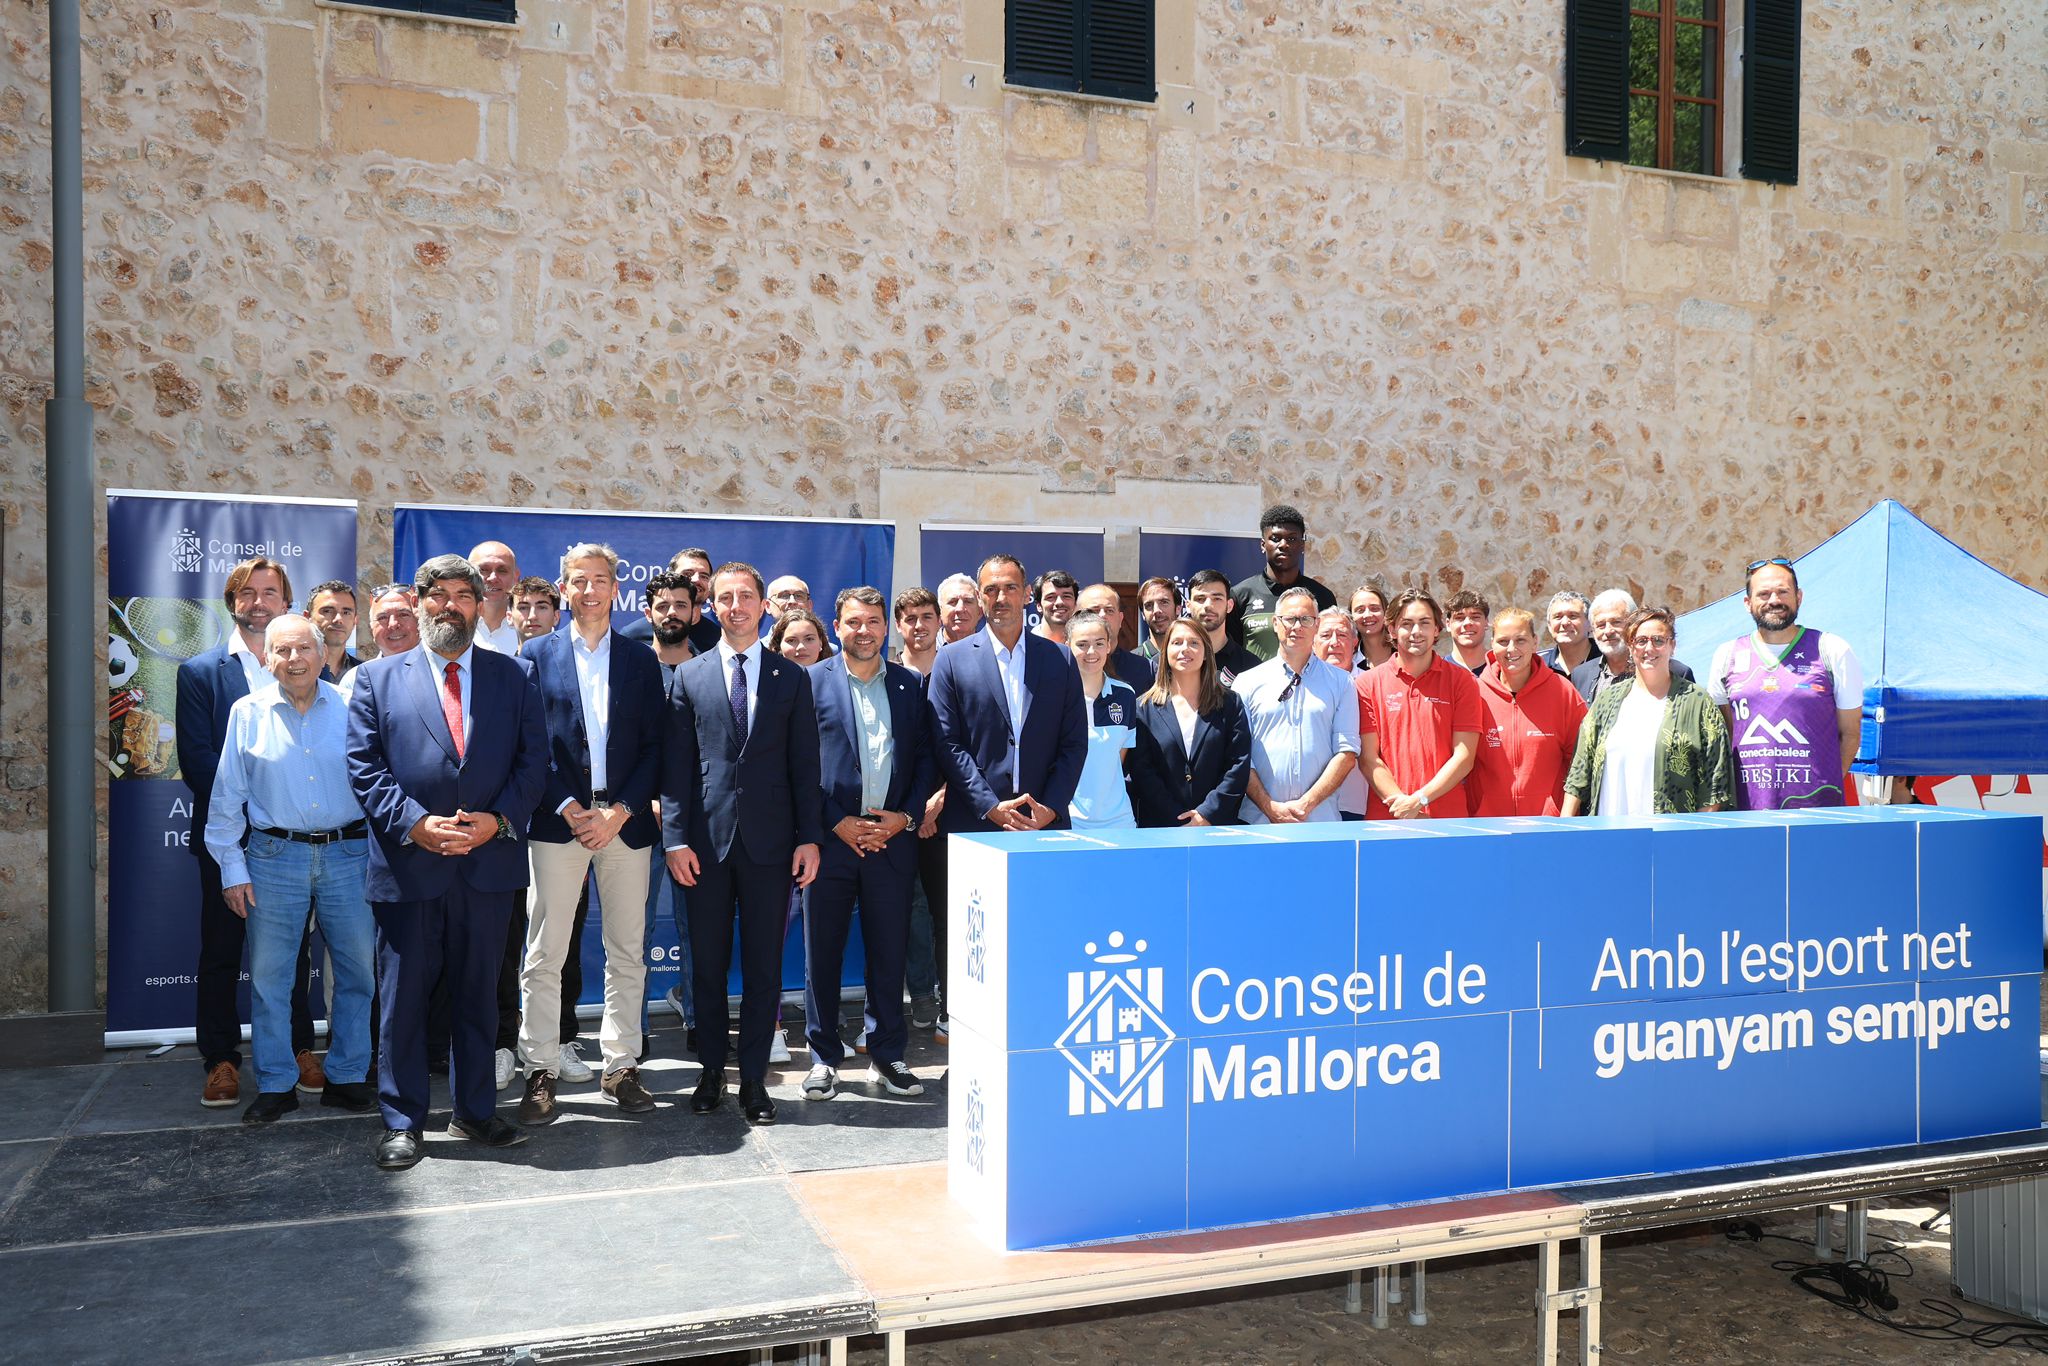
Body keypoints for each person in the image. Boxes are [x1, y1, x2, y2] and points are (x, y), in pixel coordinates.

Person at [346, 554, 548, 1170]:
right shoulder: (377, 680)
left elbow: (532, 764)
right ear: (418, 599)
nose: (452, 606)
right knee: (403, 999)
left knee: (478, 997)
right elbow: (363, 765)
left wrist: (499, 821)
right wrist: (414, 824)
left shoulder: (513, 676)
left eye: (465, 595)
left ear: (478, 603)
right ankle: (403, 1120)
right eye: (440, 595)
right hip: (411, 865)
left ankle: (476, 1112)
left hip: (487, 867)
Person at [661, 562, 824, 1126]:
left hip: (773, 848)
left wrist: (809, 838)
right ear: (713, 605)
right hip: (704, 847)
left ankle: (753, 1079)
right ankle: (711, 1073)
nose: (736, 606)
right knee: (706, 968)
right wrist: (675, 840)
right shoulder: (690, 676)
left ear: (763, 606)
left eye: (746, 596)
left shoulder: (791, 677)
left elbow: (806, 768)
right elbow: (677, 771)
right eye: (725, 597)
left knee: (763, 968)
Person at [204, 616, 376, 1125]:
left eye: (304, 648)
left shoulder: (353, 709)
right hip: (273, 858)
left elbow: (377, 783)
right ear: (267, 658)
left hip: (350, 855)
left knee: (358, 972)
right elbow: (226, 799)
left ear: (324, 655)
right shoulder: (246, 713)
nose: (294, 659)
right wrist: (233, 869)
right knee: (271, 979)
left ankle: (346, 1077)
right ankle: (277, 1084)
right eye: (282, 650)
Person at [514, 544, 665, 1123]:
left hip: (625, 825)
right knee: (545, 953)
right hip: (559, 823)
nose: (591, 590)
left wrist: (621, 809)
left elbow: (656, 747)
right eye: (580, 580)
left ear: (615, 587)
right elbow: (527, 745)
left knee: (627, 950)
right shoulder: (536, 655)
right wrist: (570, 804)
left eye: (601, 580)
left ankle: (621, 1066)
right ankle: (541, 1071)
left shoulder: (639, 659)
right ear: (564, 587)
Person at [176, 556, 318, 1108]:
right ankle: (221, 1060)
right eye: (248, 593)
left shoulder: (307, 667)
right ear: (232, 602)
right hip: (229, 839)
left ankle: (300, 1047)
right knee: (222, 949)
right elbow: (199, 762)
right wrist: (263, 811)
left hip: (296, 843)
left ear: (287, 603)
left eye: (271, 592)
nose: (259, 602)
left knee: (295, 953)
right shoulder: (202, 673)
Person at [927, 554, 1088, 1039]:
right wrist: (988, 805)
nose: (1000, 598)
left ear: (1027, 595)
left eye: (1010, 588)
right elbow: (946, 742)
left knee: (1038, 932)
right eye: (991, 590)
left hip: (1043, 825)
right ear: (980, 597)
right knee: (971, 937)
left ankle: (1038, 1026)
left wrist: (1052, 807)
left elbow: (1073, 740)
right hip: (976, 824)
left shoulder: (1057, 657)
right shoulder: (952, 659)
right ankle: (966, 1030)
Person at [802, 587, 936, 1101]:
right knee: (823, 955)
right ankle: (822, 1058)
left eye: (874, 622)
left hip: (892, 842)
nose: (865, 631)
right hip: (831, 843)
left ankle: (888, 1055)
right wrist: (834, 821)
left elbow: (926, 760)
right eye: (853, 622)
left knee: (889, 951)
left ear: (888, 628)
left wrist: (904, 817)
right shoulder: (809, 684)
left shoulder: (909, 686)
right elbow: (797, 765)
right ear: (836, 627)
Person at [1705, 558, 1864, 810]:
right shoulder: (1727, 654)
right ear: (1748, 603)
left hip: (1815, 812)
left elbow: (1851, 733)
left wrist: (1825, 785)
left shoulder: (1831, 649)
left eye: (1782, 592)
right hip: (1746, 809)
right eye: (1764, 594)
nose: (1774, 600)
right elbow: (1725, 734)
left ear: (1799, 597)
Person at [1564, 608, 1734, 817]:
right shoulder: (1608, 701)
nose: (1649, 648)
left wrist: (1695, 838)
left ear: (1672, 645)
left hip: (1671, 839)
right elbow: (1579, 772)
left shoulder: (1697, 702)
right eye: (1641, 640)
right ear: (1630, 646)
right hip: (1610, 835)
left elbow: (1716, 782)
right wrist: (1568, 828)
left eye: (1659, 640)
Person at [1232, 587, 1359, 823]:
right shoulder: (1246, 682)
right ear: (1275, 623)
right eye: (1289, 619)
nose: (1297, 626)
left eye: (1305, 619)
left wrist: (1306, 805)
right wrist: (1270, 808)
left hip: (1319, 821)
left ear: (1316, 624)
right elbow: (1239, 755)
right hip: (1259, 821)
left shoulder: (1342, 683)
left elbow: (1346, 753)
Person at [1356, 589, 1484, 819]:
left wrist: (1419, 800)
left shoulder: (1462, 681)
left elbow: (1464, 757)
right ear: (1392, 629)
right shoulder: (1367, 684)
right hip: (1388, 819)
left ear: (1436, 629)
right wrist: (1407, 809)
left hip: (1446, 820)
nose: (1416, 631)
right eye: (1406, 623)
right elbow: (1368, 759)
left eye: (1424, 623)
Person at [641, 570, 700, 1045]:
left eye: (680, 605)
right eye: (662, 606)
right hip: (639, 819)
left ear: (695, 613)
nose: (671, 614)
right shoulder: (632, 670)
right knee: (631, 932)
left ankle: (701, 1024)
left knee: (698, 928)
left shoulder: (714, 669)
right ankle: (632, 1034)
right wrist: (649, 799)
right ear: (649, 614)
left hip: (700, 823)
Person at [1130, 619, 1252, 827]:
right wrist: (1178, 817)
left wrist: (1206, 814)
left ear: (1206, 653)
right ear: (1165, 652)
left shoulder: (1230, 703)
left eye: (1194, 643)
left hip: (1217, 826)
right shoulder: (1143, 708)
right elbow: (1142, 771)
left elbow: (1237, 765)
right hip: (1162, 828)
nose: (1185, 649)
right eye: (1176, 642)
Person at [1470, 608, 1588, 816]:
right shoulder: (1475, 694)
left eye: (1521, 640)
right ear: (1492, 644)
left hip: (1548, 825)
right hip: (1488, 825)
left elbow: (1581, 760)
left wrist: (1565, 816)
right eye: (1503, 641)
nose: (1511, 649)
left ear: (1535, 642)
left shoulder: (1562, 692)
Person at [1231, 504, 1336, 660]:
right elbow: (1233, 655)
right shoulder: (1240, 595)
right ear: (1263, 545)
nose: (1283, 545)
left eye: (1292, 539)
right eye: (1275, 538)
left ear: (1302, 545)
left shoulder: (1322, 596)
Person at [1065, 610, 1139, 830]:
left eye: (1099, 643)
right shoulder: (1055, 697)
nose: (1091, 652)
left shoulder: (1125, 695)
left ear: (1109, 646)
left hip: (1119, 822)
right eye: (1082, 644)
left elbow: (1119, 758)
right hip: (1068, 821)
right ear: (1067, 645)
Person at [1570, 589, 1695, 704]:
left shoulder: (1675, 672)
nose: (1608, 631)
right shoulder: (1581, 675)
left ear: (1633, 626)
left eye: (1616, 622)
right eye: (1601, 625)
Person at [1311, 607, 1371, 819]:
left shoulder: (1371, 683)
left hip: (1358, 802)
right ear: (1313, 640)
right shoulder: (1299, 684)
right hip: (1310, 805)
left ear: (1355, 642)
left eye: (1343, 635)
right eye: (1326, 635)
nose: (1334, 642)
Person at [1186, 569, 1262, 687]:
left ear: (1229, 606)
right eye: (1200, 599)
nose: (1208, 605)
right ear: (1188, 606)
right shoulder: (1172, 660)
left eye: (1217, 598)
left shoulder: (1251, 666)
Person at [1078, 582, 1155, 693]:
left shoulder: (1146, 670)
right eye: (1094, 610)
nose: (1102, 616)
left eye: (1109, 610)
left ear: (1120, 619)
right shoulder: (1065, 668)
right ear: (1076, 617)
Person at [468, 541, 522, 655]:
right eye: (483, 570)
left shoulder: (530, 628)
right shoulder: (453, 625)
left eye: (502, 570)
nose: (493, 578)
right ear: (467, 576)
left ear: (516, 577)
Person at [304, 580, 360, 684]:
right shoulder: (295, 670)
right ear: (307, 617)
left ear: (355, 621)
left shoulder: (365, 673)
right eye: (328, 611)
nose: (338, 619)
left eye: (346, 612)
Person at [1539, 591, 1597, 677]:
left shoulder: (1606, 661)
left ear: (1590, 624)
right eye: (1558, 617)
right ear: (1549, 626)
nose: (1565, 623)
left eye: (1573, 616)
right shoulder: (1537, 664)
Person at [1135, 577, 1181, 673]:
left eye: (1164, 602)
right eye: (1149, 605)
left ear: (1178, 609)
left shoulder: (1192, 656)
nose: (1156, 611)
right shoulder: (1131, 662)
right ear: (1143, 614)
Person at [892, 586, 940, 676]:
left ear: (939, 622)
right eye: (911, 619)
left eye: (927, 617)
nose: (919, 626)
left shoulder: (954, 671)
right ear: (898, 625)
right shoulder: (886, 675)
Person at [1442, 590, 1492, 673]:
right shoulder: (1439, 672)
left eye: (1475, 617)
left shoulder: (1502, 670)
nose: (1467, 623)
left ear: (1486, 622)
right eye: (1459, 618)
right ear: (1448, 624)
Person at [367, 583, 421, 658]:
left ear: (420, 623)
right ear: (371, 628)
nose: (393, 624)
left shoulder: (439, 669)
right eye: (383, 618)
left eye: (403, 615)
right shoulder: (361, 670)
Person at [1350, 582, 1395, 671]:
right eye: (1360, 610)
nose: (1367, 615)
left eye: (1374, 608)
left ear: (1385, 613)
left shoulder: (1403, 656)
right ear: (1351, 617)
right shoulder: (1350, 663)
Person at [768, 606, 834, 665]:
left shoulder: (839, 677)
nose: (801, 647)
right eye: (791, 640)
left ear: (820, 643)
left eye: (809, 639)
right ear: (779, 646)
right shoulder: (764, 677)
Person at [509, 576, 560, 647]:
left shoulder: (573, 658)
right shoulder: (496, 658)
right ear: (510, 617)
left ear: (556, 617)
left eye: (542, 607)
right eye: (523, 608)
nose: (532, 616)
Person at [1031, 569, 1079, 644]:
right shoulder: (1025, 646)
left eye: (1066, 596)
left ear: (1075, 603)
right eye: (1051, 597)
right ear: (1039, 606)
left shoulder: (1087, 648)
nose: (1059, 602)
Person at [936, 572, 984, 644]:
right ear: (940, 611)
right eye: (952, 602)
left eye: (968, 601)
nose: (960, 609)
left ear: (980, 612)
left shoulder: (994, 651)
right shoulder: (921, 649)